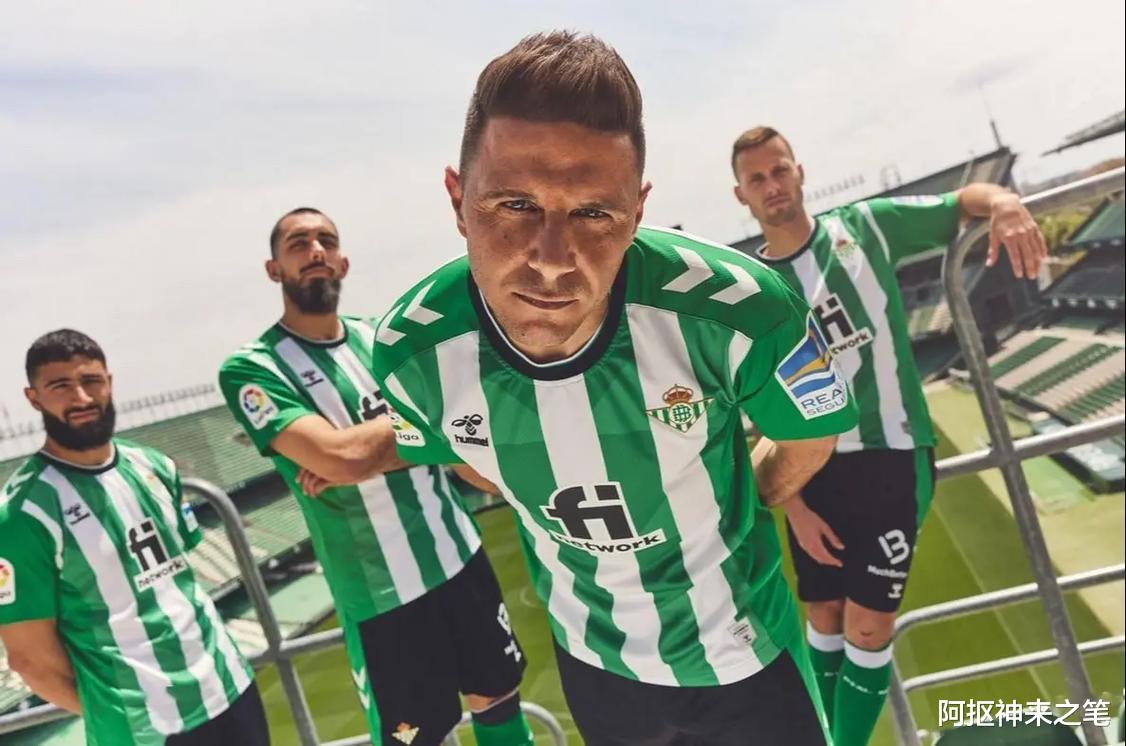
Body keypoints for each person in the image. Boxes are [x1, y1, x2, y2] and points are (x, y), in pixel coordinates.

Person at [370, 32, 860, 746]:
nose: (551, 260)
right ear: (458, 198)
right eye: (515, 205)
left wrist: (734, 501)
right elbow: (467, 462)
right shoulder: (409, 353)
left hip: (748, 656)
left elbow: (810, 435)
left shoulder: (744, 309)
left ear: (637, 210)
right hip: (594, 669)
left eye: (594, 213)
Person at [731, 125, 1047, 746]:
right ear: (741, 195)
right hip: (810, 469)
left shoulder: (865, 228)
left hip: (891, 456)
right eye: (756, 178)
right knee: (823, 615)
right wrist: (794, 505)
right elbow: (761, 405)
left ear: (799, 171)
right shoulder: (752, 286)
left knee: (869, 627)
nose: (772, 185)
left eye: (779, 170)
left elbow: (962, 203)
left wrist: (1006, 203)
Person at [218, 208, 532, 746]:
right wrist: (421, 428)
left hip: (458, 554)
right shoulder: (254, 368)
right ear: (274, 270)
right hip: (381, 593)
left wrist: (368, 451)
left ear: (343, 262)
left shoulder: (383, 338)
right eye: (298, 243)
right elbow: (343, 459)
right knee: (413, 738)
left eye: (327, 240)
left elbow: (407, 441)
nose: (316, 250)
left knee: (499, 700)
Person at [0, 329, 267, 746]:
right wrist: (120, 715)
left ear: (109, 382)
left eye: (91, 381)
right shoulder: (22, 514)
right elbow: (31, 660)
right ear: (34, 398)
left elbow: (181, 585)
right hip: (145, 730)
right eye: (60, 386)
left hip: (231, 687)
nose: (82, 398)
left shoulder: (153, 464)